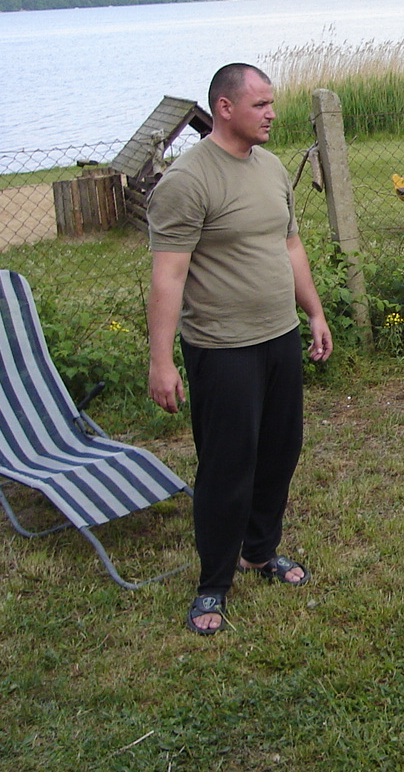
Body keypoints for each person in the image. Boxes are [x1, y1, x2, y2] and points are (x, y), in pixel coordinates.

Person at [147, 62, 333, 635]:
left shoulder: (271, 168)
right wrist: (161, 361)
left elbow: (290, 245)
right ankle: (213, 583)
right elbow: (168, 277)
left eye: (271, 103)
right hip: (222, 347)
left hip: (278, 336)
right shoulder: (188, 180)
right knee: (227, 466)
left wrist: (314, 311)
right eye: (260, 105)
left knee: (280, 450)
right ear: (224, 108)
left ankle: (258, 550)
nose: (272, 113)